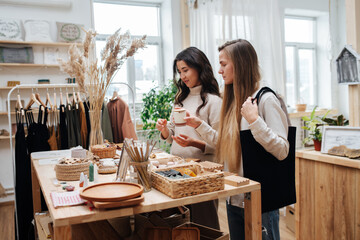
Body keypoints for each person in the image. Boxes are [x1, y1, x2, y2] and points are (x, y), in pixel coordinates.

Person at [183, 39, 290, 240]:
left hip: (261, 201)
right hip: (235, 198)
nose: (219, 70)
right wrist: (199, 125)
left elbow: (282, 150)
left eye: (224, 64)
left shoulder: (266, 99)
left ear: (240, 64)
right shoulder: (233, 101)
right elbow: (226, 143)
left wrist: (255, 120)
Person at [156, 46, 222, 229]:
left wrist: (195, 143)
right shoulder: (180, 99)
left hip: (202, 171)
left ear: (199, 67)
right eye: (179, 72)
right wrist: (164, 130)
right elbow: (171, 136)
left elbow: (221, 142)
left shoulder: (213, 101)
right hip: (177, 168)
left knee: (205, 223)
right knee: (183, 223)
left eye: (185, 70)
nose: (182, 76)